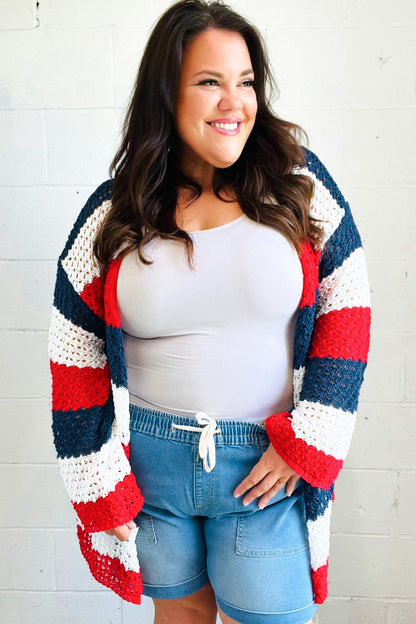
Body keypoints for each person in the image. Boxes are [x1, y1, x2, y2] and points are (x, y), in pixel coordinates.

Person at [48, 1, 371, 623]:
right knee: (182, 618)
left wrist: (310, 443)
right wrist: (96, 479)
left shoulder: (298, 186)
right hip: (149, 471)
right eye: (209, 82)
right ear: (165, 93)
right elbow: (74, 349)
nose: (234, 102)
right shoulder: (114, 212)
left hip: (264, 473)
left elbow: (348, 311)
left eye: (245, 82)